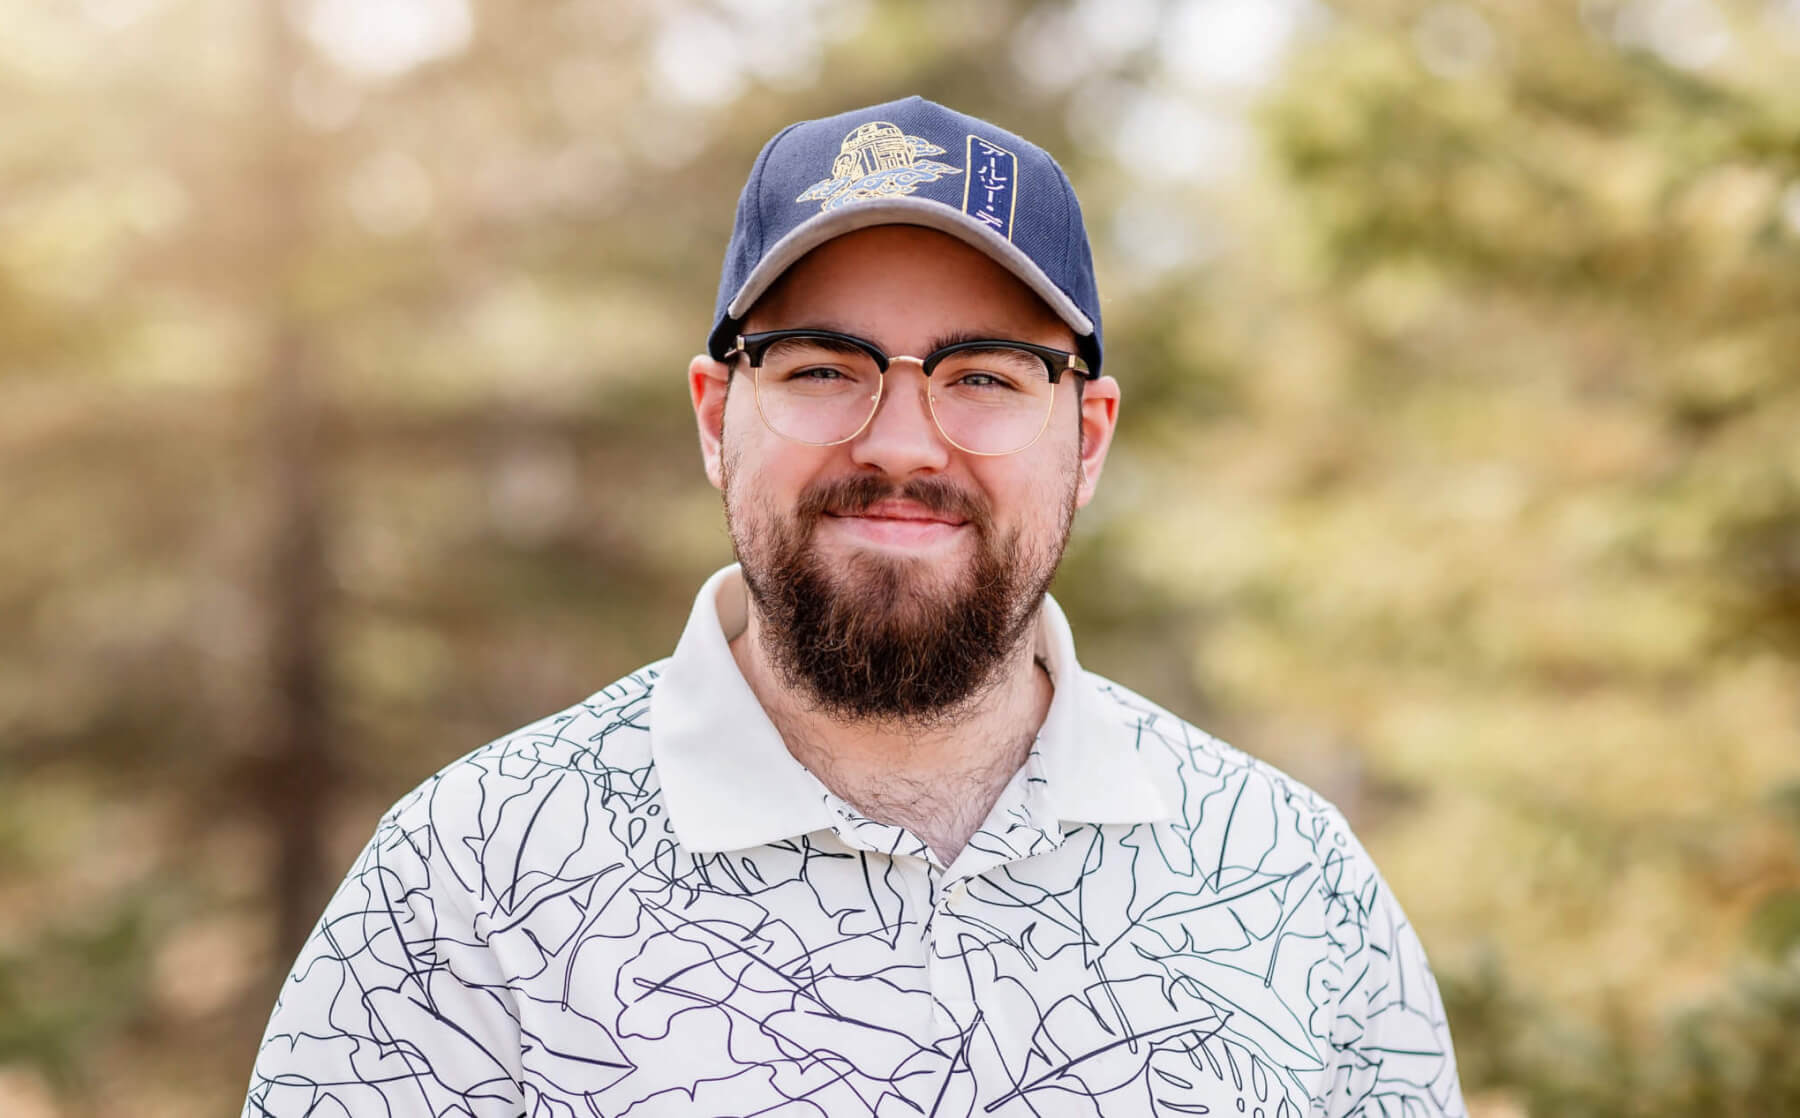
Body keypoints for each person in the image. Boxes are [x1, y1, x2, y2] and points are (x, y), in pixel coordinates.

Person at [243, 96, 1466, 1118]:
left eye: (985, 375)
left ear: (1085, 436)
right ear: (718, 415)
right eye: (824, 367)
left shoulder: (1292, 884)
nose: (900, 440)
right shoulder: (465, 884)